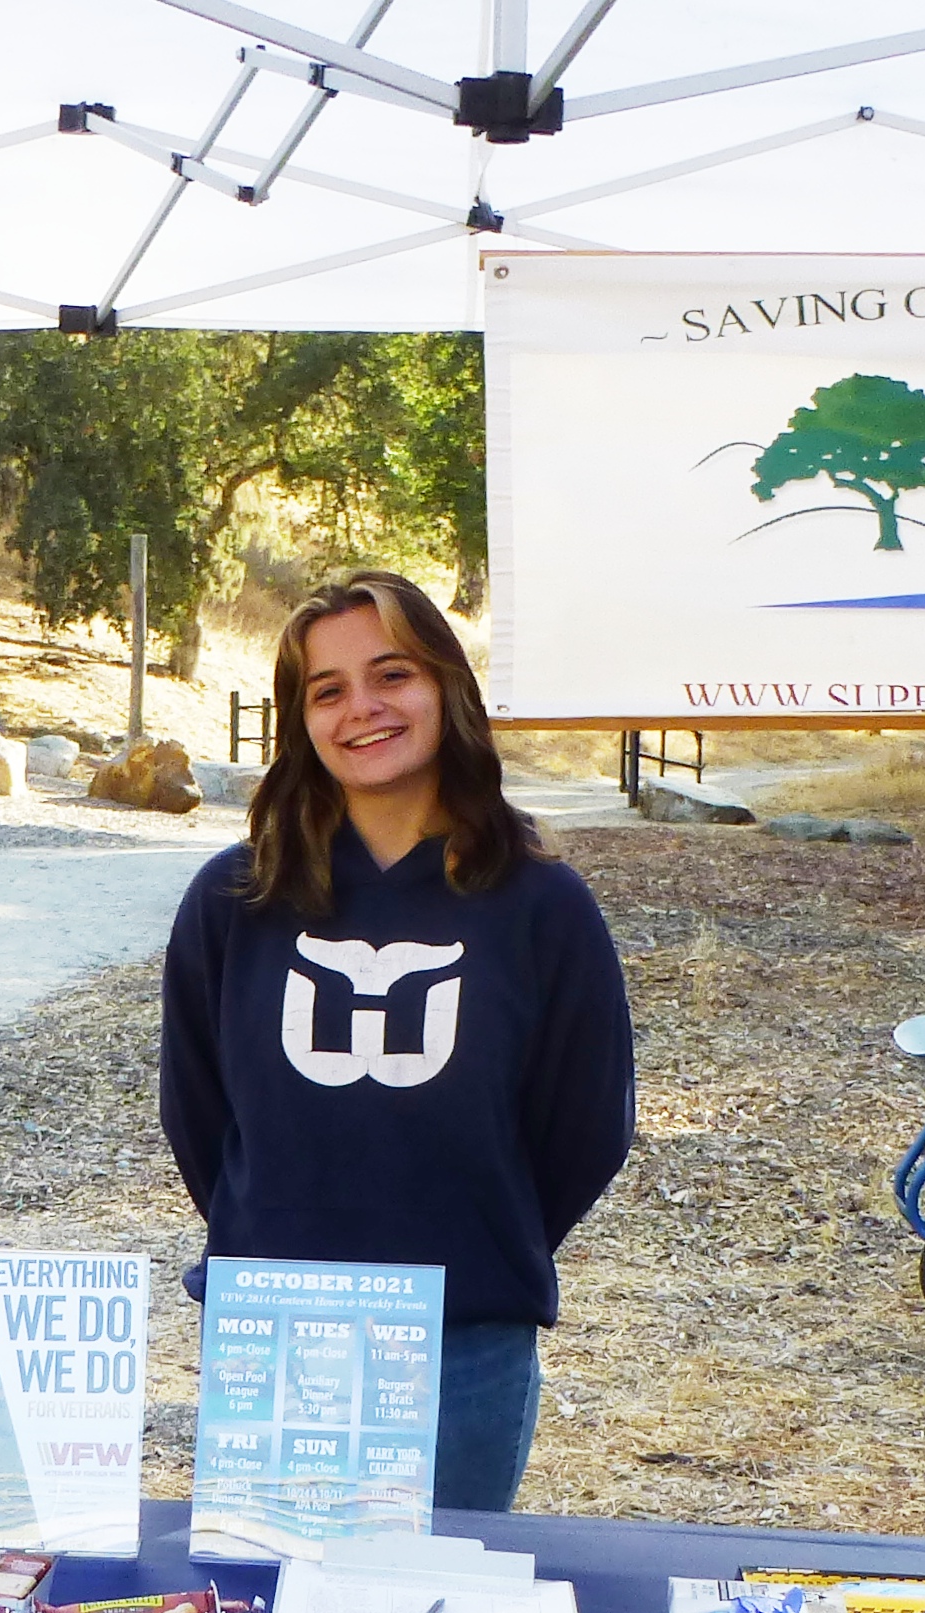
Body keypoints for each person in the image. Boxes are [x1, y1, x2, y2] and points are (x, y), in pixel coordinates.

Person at [159, 571, 634, 1513]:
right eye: (326, 691)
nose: (362, 710)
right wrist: (285, 1236)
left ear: (447, 688)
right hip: (275, 1329)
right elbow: (198, 1111)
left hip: (464, 1342)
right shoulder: (233, 899)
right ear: (297, 721)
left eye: (391, 675)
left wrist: (472, 1244)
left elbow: (583, 1127)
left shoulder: (541, 904)